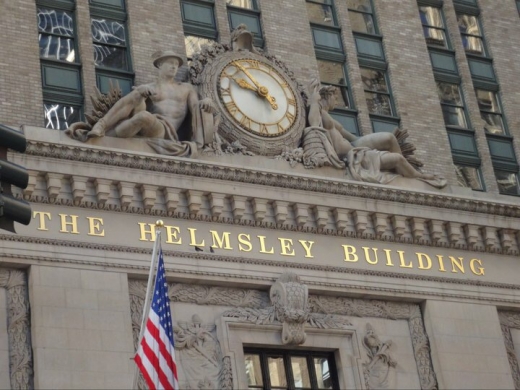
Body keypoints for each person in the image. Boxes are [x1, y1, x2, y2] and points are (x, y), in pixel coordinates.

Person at [307, 78, 437, 181]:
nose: (337, 102)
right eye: (335, 98)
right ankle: (414, 175)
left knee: (390, 138)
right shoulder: (318, 110)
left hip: (355, 145)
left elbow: (350, 136)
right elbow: (313, 124)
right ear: (328, 96)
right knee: (397, 157)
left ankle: (405, 170)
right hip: (353, 154)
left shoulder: (328, 115)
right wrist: (313, 99)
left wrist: (369, 141)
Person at [85, 51, 204, 148]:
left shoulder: (186, 88)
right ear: (160, 65)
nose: (174, 67)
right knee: (137, 94)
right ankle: (101, 125)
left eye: (176, 64)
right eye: (170, 63)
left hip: (165, 131)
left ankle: (108, 135)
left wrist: (206, 102)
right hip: (149, 121)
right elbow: (137, 105)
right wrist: (142, 93)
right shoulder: (150, 87)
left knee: (143, 116)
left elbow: (195, 107)